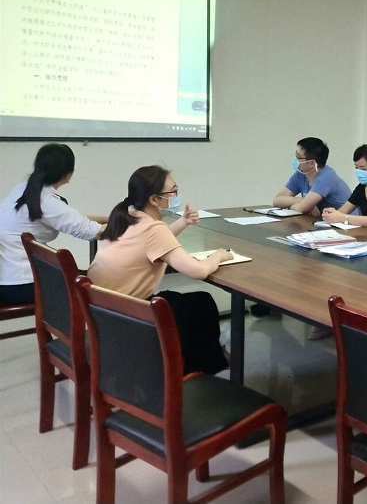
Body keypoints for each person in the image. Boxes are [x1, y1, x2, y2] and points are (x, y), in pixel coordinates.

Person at [87, 166, 231, 375]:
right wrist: (218, 255)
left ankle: (199, 363)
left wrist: (183, 222)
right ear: (154, 199)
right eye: (172, 191)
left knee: (191, 302)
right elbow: (198, 271)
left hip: (102, 309)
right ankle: (195, 369)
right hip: (128, 315)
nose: (176, 195)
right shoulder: (154, 229)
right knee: (202, 303)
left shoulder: (128, 218)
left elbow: (155, 244)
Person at [1, 143, 105, 305]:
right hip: (23, 285)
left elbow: (75, 219)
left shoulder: (24, 190)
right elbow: (94, 232)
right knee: (91, 286)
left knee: (81, 276)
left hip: (9, 280)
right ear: (68, 174)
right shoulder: (47, 201)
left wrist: (110, 218)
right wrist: (138, 222)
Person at [273, 137, 351, 216]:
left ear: (311, 163)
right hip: (322, 220)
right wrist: (301, 201)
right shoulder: (301, 174)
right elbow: (277, 200)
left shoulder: (326, 177)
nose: (295, 159)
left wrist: (294, 206)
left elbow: (301, 209)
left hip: (345, 222)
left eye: (298, 157)